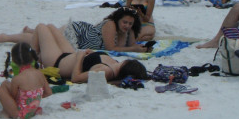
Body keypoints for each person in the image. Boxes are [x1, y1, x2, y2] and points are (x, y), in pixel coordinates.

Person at [0, 6, 152, 69]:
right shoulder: (110, 25)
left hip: (79, 37)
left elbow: (131, 45)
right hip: (77, 33)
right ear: (118, 19)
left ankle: (29, 30)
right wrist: (134, 48)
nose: (127, 26)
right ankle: (4, 37)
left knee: (46, 36)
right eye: (125, 22)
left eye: (130, 24)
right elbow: (111, 48)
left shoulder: (126, 31)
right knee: (42, 39)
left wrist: (136, 42)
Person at [11, 22, 148, 83]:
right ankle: (37, 55)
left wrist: (80, 57)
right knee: (51, 27)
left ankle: (32, 64)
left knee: (41, 28)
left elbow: (76, 77)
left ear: (127, 64)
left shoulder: (105, 72)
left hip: (58, 62)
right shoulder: (115, 65)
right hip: (70, 54)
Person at [0, 43, 52, 119]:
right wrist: (34, 98)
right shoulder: (39, 73)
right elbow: (48, 92)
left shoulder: (17, 79)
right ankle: (5, 111)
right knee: (5, 83)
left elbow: (13, 97)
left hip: (20, 113)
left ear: (14, 61)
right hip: (33, 110)